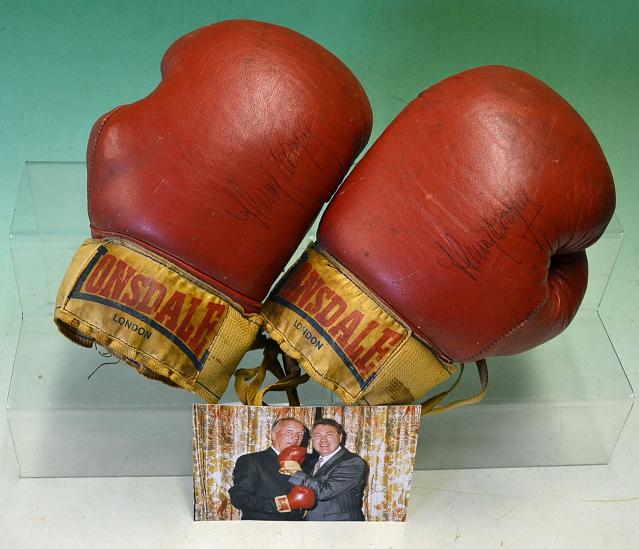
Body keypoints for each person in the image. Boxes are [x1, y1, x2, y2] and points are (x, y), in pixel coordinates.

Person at [228, 417, 314, 520]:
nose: (296, 437)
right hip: (264, 529)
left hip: (297, 529)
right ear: (273, 435)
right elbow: (239, 498)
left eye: (300, 434)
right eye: (288, 432)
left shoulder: (306, 462)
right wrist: (283, 503)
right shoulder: (251, 461)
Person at [284, 418, 368, 521]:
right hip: (312, 527)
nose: (323, 440)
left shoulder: (352, 462)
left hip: (339, 527)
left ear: (340, 437)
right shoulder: (311, 462)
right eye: (317, 436)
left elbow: (324, 492)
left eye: (329, 435)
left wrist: (295, 472)